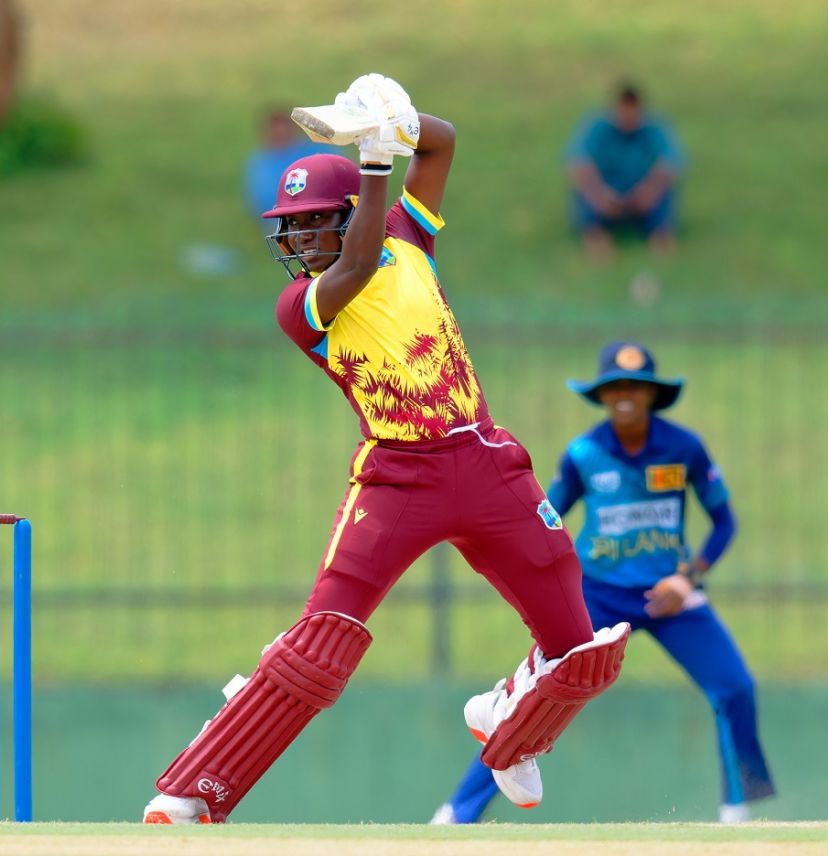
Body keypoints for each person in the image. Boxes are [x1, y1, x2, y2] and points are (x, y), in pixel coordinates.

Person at [141, 73, 630, 825]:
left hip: (486, 461)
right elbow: (358, 264)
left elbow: (442, 143)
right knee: (321, 641)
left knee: (580, 649)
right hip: (399, 479)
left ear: (347, 213)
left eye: (312, 222)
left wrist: (392, 123)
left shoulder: (407, 235)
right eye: (290, 227)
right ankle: (196, 787)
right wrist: (373, 162)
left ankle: (509, 713)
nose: (297, 240)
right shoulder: (303, 305)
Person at [432, 342, 776, 825]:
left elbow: (725, 524)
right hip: (598, 595)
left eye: (635, 386)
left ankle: (736, 812)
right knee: (529, 701)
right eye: (615, 386)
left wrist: (687, 579)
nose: (625, 395)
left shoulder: (684, 448)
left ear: (653, 394)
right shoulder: (584, 453)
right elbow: (544, 518)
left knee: (735, 687)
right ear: (602, 394)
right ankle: (457, 813)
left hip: (670, 596)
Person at [566, 83, 684, 263]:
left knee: (664, 198)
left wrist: (649, 192)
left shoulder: (654, 127)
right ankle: (597, 241)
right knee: (584, 198)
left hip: (642, 191)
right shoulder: (597, 127)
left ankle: (661, 241)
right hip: (607, 190)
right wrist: (599, 195)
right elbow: (577, 163)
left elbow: (672, 162)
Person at [243, 107, 328, 218]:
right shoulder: (260, 162)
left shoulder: (315, 152)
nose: (280, 134)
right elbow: (258, 196)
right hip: (276, 217)